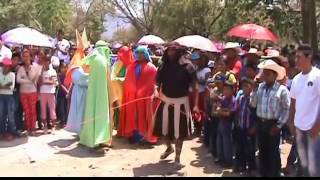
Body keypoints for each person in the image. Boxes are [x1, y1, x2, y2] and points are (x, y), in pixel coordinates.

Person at [153, 42, 198, 170]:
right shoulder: (163, 65)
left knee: (180, 133)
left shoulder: (188, 66)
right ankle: (169, 148)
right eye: (169, 50)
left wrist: (195, 106)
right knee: (162, 130)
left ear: (179, 51)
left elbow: (195, 87)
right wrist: (155, 90)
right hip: (165, 101)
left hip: (181, 103)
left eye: (173, 50)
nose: (171, 53)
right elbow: (157, 81)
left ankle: (177, 158)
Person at [251, 59, 290, 177]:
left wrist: (279, 125)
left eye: (267, 74)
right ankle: (263, 172)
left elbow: (286, 109)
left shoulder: (282, 90)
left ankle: (274, 173)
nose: (265, 76)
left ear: (274, 75)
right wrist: (253, 91)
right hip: (261, 123)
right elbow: (253, 104)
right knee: (262, 150)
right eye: (264, 73)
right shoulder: (260, 88)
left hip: (273, 124)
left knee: (273, 151)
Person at [289, 44, 320, 177]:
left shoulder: (317, 76)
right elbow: (293, 103)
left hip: (313, 129)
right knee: (304, 164)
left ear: (309, 57)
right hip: (299, 128)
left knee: (314, 167)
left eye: (299, 57)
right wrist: (291, 122)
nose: (296, 60)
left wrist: (317, 126)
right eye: (296, 56)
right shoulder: (296, 79)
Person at [79, 40, 116, 152]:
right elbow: (109, 79)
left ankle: (89, 139)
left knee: (91, 112)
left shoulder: (93, 58)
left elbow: (84, 68)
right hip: (103, 93)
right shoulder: (105, 61)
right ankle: (101, 139)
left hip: (92, 92)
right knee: (101, 114)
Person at [118, 45, 157, 144]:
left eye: (141, 53)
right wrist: (131, 90)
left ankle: (145, 136)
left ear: (145, 54)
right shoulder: (131, 66)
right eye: (137, 53)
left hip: (145, 98)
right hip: (132, 97)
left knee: (144, 115)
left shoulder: (151, 67)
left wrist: (142, 91)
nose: (139, 55)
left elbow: (151, 83)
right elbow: (128, 81)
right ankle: (133, 135)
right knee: (133, 116)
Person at [234, 77, 257, 174]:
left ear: (252, 88)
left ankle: (251, 168)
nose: (245, 88)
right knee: (240, 148)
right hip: (241, 127)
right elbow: (237, 111)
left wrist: (254, 127)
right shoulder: (240, 98)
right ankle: (241, 166)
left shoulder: (253, 100)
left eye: (247, 86)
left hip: (249, 129)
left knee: (250, 150)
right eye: (243, 86)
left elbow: (256, 115)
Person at [17, 50, 41, 136]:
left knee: (33, 111)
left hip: (33, 92)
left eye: (27, 56)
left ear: (31, 57)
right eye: (24, 56)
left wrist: (27, 77)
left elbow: (35, 79)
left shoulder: (35, 68)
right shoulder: (20, 68)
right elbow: (18, 80)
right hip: (23, 92)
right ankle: (28, 128)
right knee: (26, 111)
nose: (26, 58)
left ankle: (33, 128)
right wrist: (28, 81)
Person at [0, 59, 24, 140]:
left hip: (9, 97)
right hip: (1, 96)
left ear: (10, 67)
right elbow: (8, 86)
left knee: (11, 116)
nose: (5, 67)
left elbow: (11, 88)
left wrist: (2, 85)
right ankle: (2, 132)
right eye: (4, 65)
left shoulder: (12, 75)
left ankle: (12, 132)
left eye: (7, 66)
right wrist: (6, 85)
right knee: (1, 115)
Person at [111, 46, 134, 130]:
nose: (121, 56)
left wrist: (122, 80)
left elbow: (132, 78)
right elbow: (112, 76)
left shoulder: (133, 65)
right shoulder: (117, 64)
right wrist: (119, 80)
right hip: (117, 90)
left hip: (128, 92)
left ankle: (127, 129)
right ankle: (118, 128)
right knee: (117, 109)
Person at [215, 81, 237, 168]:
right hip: (221, 122)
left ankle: (229, 161)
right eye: (224, 89)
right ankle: (221, 158)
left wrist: (220, 110)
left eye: (228, 89)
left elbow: (228, 113)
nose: (226, 91)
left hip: (229, 124)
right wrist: (222, 110)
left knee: (227, 143)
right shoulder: (223, 98)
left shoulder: (233, 100)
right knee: (219, 142)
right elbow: (217, 108)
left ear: (232, 90)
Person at [190, 52, 211, 135]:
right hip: (194, 92)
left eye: (202, 59)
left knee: (201, 111)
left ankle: (200, 128)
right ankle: (195, 127)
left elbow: (207, 82)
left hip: (202, 93)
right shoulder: (195, 69)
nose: (200, 61)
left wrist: (196, 80)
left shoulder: (207, 70)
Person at [39, 55, 58, 134]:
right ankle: (45, 127)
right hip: (43, 92)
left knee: (52, 110)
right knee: (43, 110)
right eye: (44, 61)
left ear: (49, 62)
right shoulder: (41, 71)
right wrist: (46, 81)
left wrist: (45, 82)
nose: (45, 63)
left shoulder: (52, 71)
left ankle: (53, 127)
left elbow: (53, 82)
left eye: (47, 61)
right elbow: (39, 82)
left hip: (51, 92)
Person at [11, 53, 24, 132]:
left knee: (19, 110)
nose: (15, 61)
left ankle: (19, 127)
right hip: (12, 92)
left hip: (20, 91)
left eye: (17, 60)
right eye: (14, 59)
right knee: (14, 110)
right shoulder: (8, 68)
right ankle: (13, 128)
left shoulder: (20, 69)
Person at [57, 62, 69, 128]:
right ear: (60, 68)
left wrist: (68, 91)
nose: (64, 69)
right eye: (62, 68)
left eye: (65, 67)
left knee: (66, 107)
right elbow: (61, 84)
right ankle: (62, 122)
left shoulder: (68, 75)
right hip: (61, 93)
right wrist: (67, 91)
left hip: (68, 93)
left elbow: (71, 83)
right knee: (61, 108)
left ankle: (67, 121)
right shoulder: (58, 75)